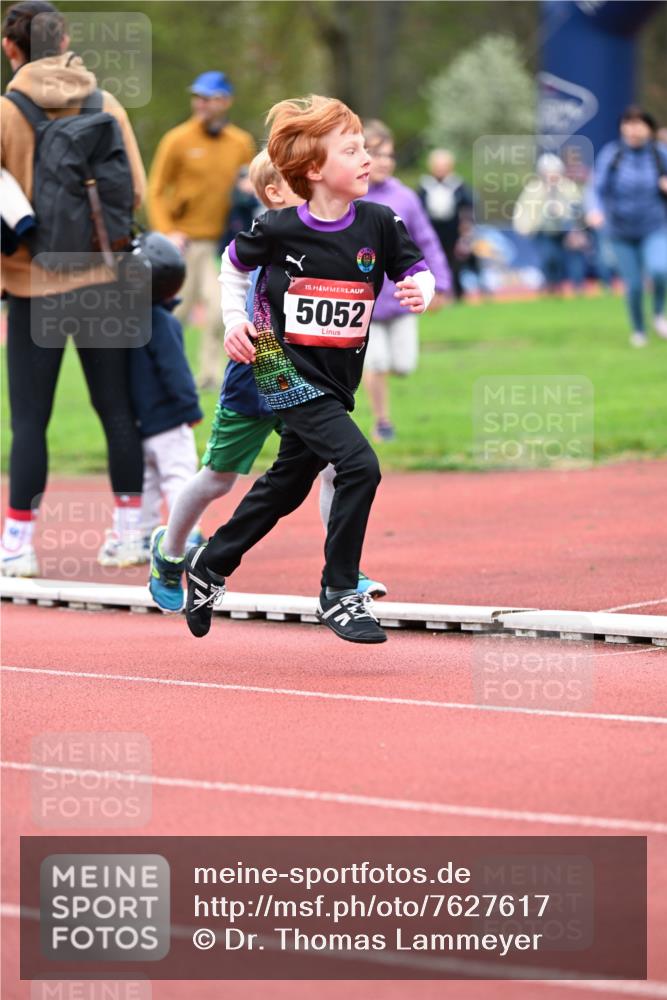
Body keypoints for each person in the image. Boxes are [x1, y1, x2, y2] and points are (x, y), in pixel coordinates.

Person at [182, 95, 434, 645]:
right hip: (279, 366)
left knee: (288, 483)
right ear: (315, 170)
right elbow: (231, 263)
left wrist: (421, 288)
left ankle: (209, 562)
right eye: (352, 149)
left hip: (335, 375)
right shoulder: (276, 228)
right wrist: (232, 321)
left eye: (366, 146)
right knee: (360, 465)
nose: (367, 158)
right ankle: (340, 591)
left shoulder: (379, 221)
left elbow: (416, 267)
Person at [148, 149, 387, 612]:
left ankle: (345, 571)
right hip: (254, 381)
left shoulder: (327, 232)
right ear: (275, 192)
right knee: (218, 478)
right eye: (304, 181)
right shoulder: (268, 236)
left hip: (306, 382)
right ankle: (170, 552)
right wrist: (236, 321)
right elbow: (233, 273)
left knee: (335, 466)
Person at [0, 0, 146, 576]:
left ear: (11, 50)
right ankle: (130, 534)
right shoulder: (105, 103)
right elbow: (132, 191)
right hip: (105, 278)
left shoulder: (6, 111)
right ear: (66, 41)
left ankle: (17, 545)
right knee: (116, 410)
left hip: (33, 285)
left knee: (31, 420)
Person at [147, 70, 256, 390]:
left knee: (220, 314)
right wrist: (167, 231)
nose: (201, 104)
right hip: (184, 243)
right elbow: (156, 190)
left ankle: (211, 379)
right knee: (173, 315)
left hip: (225, 244)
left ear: (226, 101)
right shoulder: (177, 139)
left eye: (208, 98)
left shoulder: (240, 142)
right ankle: (162, 376)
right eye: (197, 97)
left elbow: (250, 184)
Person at [360, 120, 450, 442]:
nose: (383, 161)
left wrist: (440, 284)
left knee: (404, 364)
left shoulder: (405, 197)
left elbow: (426, 241)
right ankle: (383, 422)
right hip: (364, 302)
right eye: (375, 154)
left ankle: (375, 376)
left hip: (401, 296)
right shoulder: (349, 195)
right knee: (378, 362)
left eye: (389, 155)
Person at [124, 232, 205, 559]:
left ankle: (141, 537)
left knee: (146, 482)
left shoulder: (123, 321)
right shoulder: (162, 322)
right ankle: (186, 536)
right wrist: (191, 408)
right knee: (179, 477)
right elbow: (176, 371)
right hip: (170, 420)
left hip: (137, 422)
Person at [586, 106, 667, 347]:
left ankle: (658, 315)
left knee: (660, 270)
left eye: (638, 124)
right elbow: (595, 188)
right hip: (620, 230)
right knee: (633, 285)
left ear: (649, 129)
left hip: (655, 226)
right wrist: (594, 210)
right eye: (628, 123)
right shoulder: (612, 154)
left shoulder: (659, 155)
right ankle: (639, 330)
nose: (633, 129)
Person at [513, 153, 586, 295]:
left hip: (564, 230)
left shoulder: (568, 187)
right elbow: (523, 209)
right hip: (542, 230)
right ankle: (550, 285)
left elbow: (577, 208)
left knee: (562, 259)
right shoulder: (534, 189)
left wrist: (572, 223)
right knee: (548, 257)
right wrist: (522, 227)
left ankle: (567, 286)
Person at [418, 149, 475, 301]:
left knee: (456, 265)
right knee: (432, 263)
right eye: (437, 165)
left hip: (453, 232)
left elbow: (468, 210)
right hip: (432, 232)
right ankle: (435, 295)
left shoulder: (459, 186)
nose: (440, 169)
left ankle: (457, 295)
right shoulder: (425, 186)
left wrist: (465, 234)